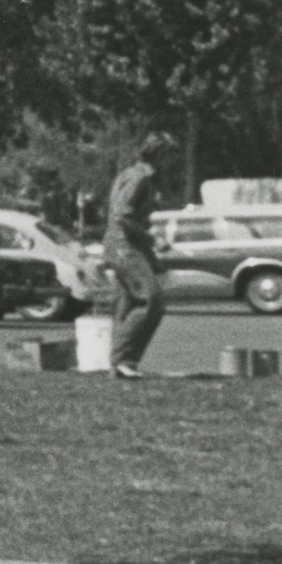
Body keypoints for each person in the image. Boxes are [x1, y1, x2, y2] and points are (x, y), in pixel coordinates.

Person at [101, 133, 179, 380]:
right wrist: (152, 239)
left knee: (128, 303)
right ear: (157, 154)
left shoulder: (133, 174)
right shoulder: (140, 178)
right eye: (169, 155)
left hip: (124, 246)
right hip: (124, 246)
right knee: (151, 300)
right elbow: (121, 217)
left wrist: (151, 256)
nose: (172, 161)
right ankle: (122, 359)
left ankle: (122, 365)